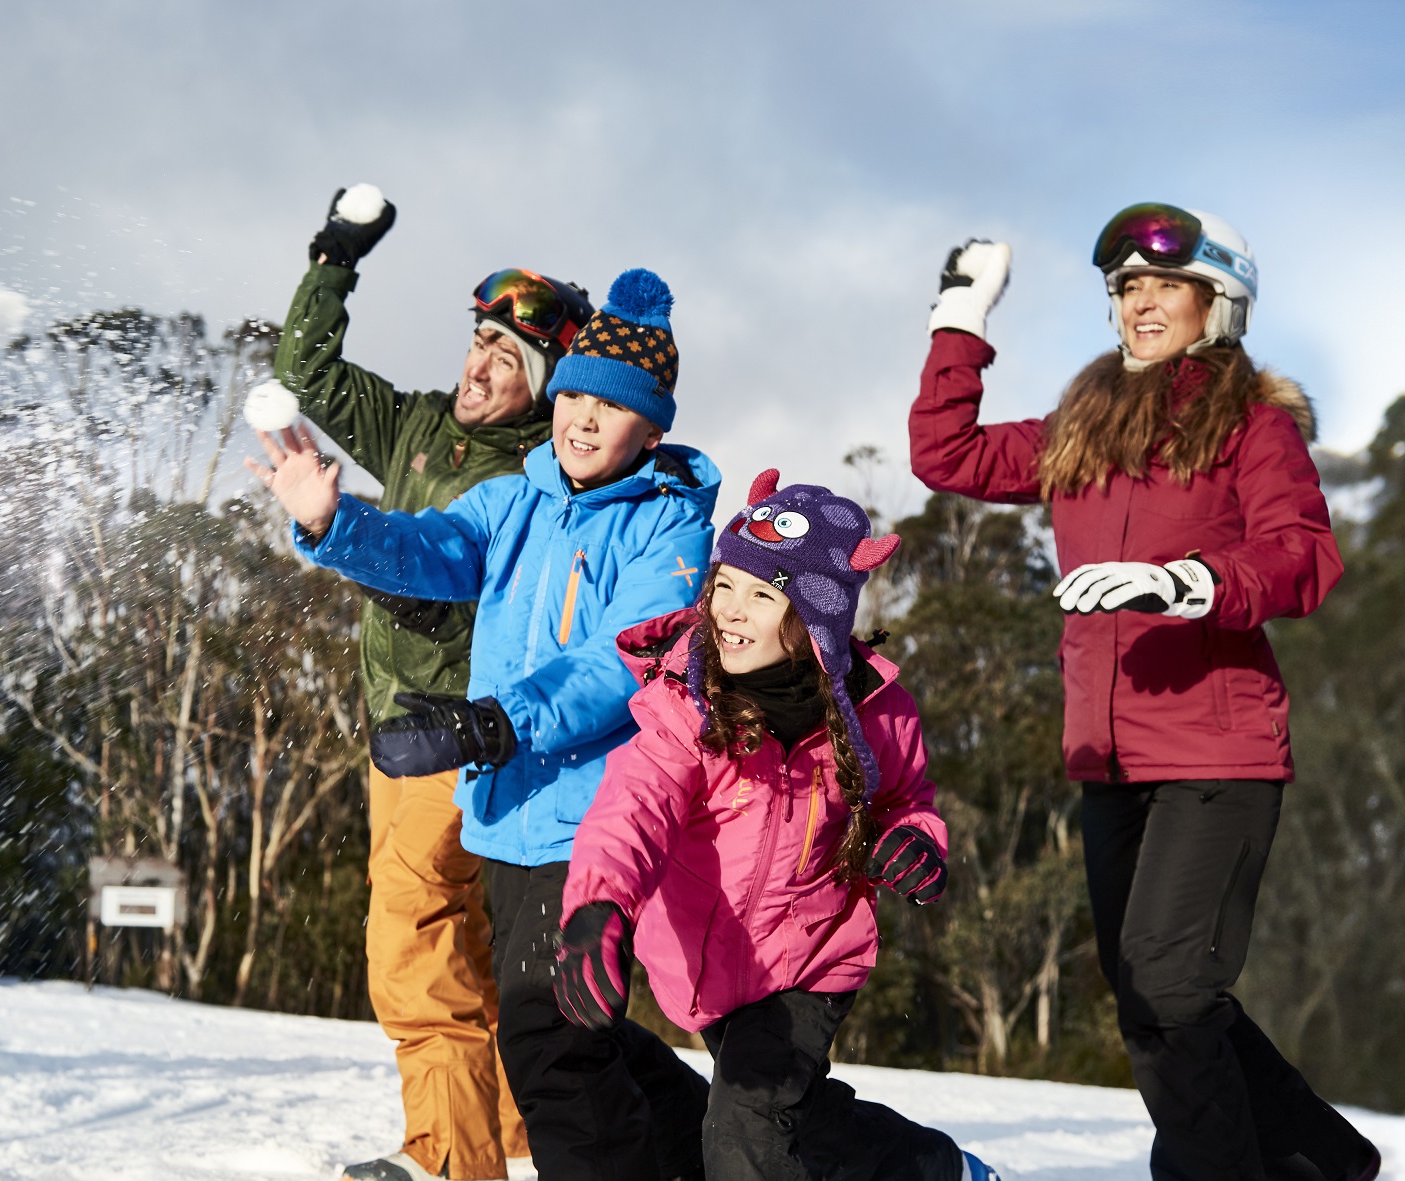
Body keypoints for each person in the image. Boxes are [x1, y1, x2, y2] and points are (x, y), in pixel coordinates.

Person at [906, 206, 1378, 1181]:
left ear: (1220, 302)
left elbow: (1303, 556)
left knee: (1170, 985)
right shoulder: (1084, 430)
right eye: (1127, 288)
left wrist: (1188, 581)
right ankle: (1326, 1157)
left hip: (1219, 753)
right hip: (1107, 756)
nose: (1141, 303)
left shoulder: (1252, 428)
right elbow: (946, 455)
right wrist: (962, 316)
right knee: (1150, 993)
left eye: (1166, 285)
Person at [248, 267, 717, 1181]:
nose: (583, 419)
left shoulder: (668, 530)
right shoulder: (515, 500)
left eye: (610, 406)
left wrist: (497, 723)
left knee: (552, 1047)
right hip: (508, 818)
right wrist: (334, 521)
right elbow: (433, 548)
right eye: (574, 395)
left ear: (652, 428)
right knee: (569, 1029)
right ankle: (715, 1148)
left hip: (598, 822)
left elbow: (624, 659)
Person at [262, 187, 597, 1181]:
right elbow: (305, 370)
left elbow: (439, 574)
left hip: (456, 737)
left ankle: (452, 1157)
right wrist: (334, 259)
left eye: (509, 359)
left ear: (543, 388)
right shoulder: (414, 422)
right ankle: (520, 1128)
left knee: (413, 933)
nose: (480, 366)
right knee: (462, 939)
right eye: (481, 342)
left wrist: (338, 527)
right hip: (394, 731)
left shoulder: (531, 478)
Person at [554, 470, 997, 1181]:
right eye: (724, 584)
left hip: (812, 958)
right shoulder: (687, 704)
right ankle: (935, 1167)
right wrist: (599, 905)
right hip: (708, 963)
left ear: (816, 618)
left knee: (749, 1132)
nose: (730, 609)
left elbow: (907, 798)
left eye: (762, 594)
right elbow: (631, 808)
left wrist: (915, 840)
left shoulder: (875, 712)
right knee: (798, 1120)